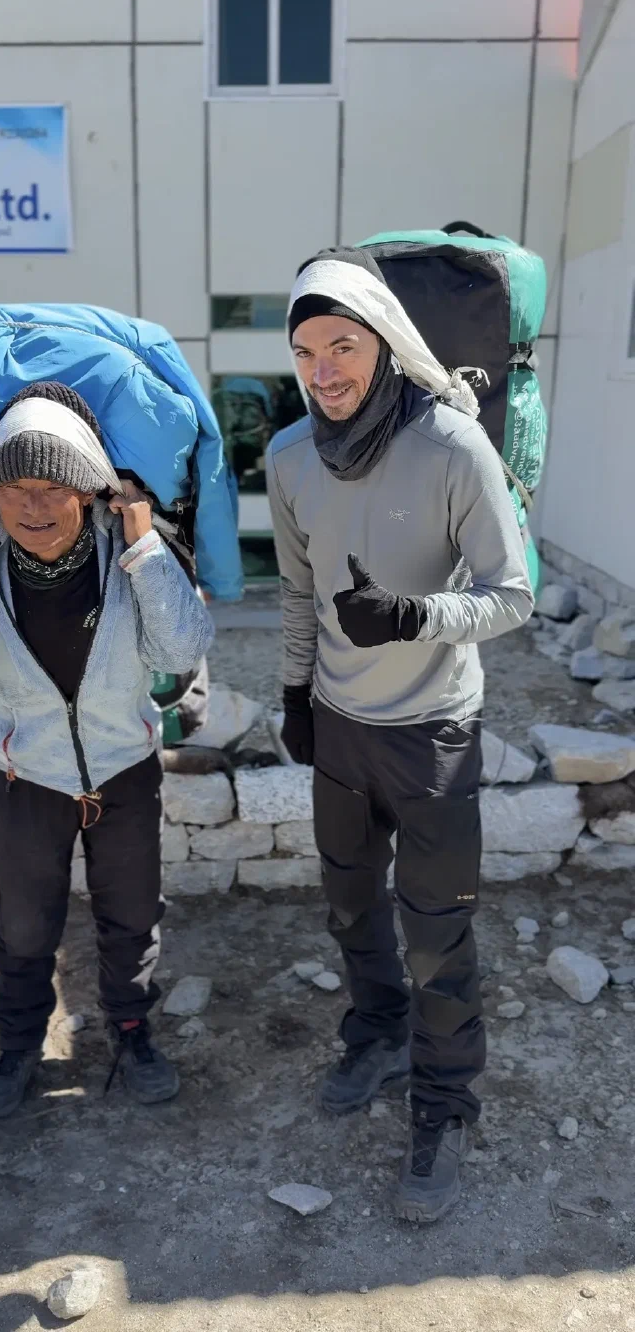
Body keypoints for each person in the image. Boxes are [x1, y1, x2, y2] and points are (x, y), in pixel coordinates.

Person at [266, 247, 534, 1223]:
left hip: (431, 735)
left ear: (383, 342)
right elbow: (297, 590)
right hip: (339, 730)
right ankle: (374, 1037)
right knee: (348, 909)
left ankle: (443, 1104)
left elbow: (513, 598)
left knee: (436, 933)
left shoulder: (453, 448)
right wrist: (296, 693)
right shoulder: (289, 457)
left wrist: (416, 616)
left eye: (342, 344)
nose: (324, 370)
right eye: (305, 353)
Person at [0, 381, 214, 1119]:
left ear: (86, 489)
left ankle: (132, 1035)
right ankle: (16, 1048)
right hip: (25, 779)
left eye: (52, 487)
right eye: (15, 489)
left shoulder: (134, 554)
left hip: (124, 772)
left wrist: (142, 545)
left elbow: (182, 647)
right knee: (23, 925)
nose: (33, 507)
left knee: (131, 916)